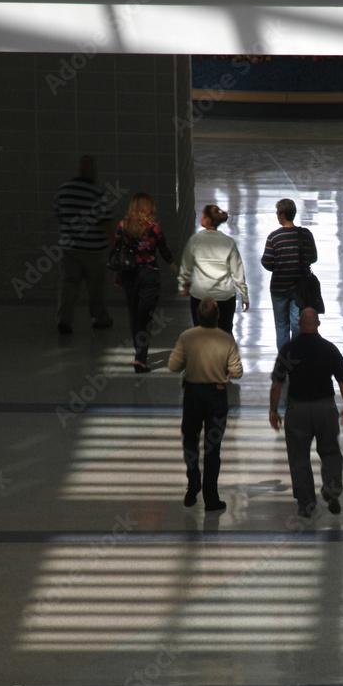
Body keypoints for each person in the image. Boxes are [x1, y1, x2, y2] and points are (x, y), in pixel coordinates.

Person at [269, 308, 343, 518]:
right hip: (325, 408)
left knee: (299, 458)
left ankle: (307, 504)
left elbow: (277, 384)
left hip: (298, 411)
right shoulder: (329, 349)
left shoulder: (290, 349)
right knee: (331, 451)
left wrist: (273, 410)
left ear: (299, 322)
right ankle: (332, 490)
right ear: (318, 323)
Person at [167, 297, 243, 512]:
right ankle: (211, 498)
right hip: (217, 396)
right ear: (218, 316)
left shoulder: (187, 337)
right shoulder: (226, 339)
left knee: (190, 439)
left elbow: (173, 365)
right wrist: (224, 373)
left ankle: (193, 479)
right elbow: (237, 371)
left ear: (198, 315)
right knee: (213, 448)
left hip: (192, 394)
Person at [113, 193, 177, 373]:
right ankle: (140, 358)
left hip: (129, 274)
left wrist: (118, 274)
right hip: (149, 274)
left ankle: (139, 352)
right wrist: (172, 265)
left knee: (134, 315)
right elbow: (163, 249)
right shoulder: (154, 229)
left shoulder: (123, 226)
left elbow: (117, 250)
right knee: (145, 317)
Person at [54, 155, 114, 333]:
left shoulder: (63, 190)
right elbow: (106, 223)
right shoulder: (97, 193)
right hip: (94, 250)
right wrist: (114, 244)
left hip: (70, 248)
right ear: (92, 172)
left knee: (68, 285)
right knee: (96, 286)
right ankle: (100, 318)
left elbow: (58, 217)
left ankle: (64, 319)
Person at [177, 204, 249, 334]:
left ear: (207, 219)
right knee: (225, 334)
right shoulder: (228, 242)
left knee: (201, 334)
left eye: (203, 214)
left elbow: (186, 267)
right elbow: (237, 272)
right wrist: (244, 295)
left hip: (200, 295)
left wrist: (182, 285)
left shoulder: (195, 240)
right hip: (225, 296)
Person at [261, 198, 317, 351]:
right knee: (298, 323)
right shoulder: (306, 235)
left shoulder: (274, 237)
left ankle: (284, 362)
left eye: (277, 213)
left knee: (281, 327)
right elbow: (313, 258)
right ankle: (297, 358)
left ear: (282, 215)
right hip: (301, 288)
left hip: (279, 288)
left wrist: (279, 265)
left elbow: (266, 262)